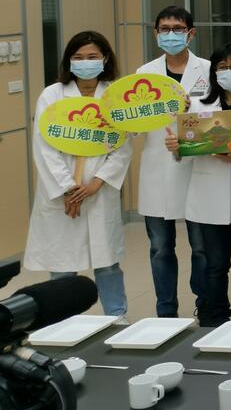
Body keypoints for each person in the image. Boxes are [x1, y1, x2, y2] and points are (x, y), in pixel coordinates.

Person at [24, 31, 131, 322]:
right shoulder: (52, 95)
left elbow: (123, 146)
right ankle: (61, 323)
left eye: (92, 56)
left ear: (105, 59)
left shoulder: (114, 96)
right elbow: (44, 147)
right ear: (69, 61)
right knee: (63, 265)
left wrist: (96, 183)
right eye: (78, 57)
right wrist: (69, 188)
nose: (85, 62)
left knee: (107, 263)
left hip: (99, 191)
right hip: (62, 193)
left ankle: (117, 319)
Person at [174, 43, 231, 328]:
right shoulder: (198, 105)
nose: (228, 72)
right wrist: (177, 145)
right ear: (213, 72)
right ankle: (214, 317)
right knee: (215, 264)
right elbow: (185, 148)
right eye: (222, 67)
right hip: (209, 197)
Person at [137, 5, 210, 318]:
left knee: (202, 247)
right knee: (160, 247)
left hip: (198, 168)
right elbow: (134, 122)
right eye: (164, 29)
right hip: (158, 169)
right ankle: (166, 311)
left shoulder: (208, 70)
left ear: (191, 33)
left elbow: (217, 119)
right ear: (155, 34)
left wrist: (190, 116)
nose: (171, 35)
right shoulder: (143, 74)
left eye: (178, 29)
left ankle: (205, 304)